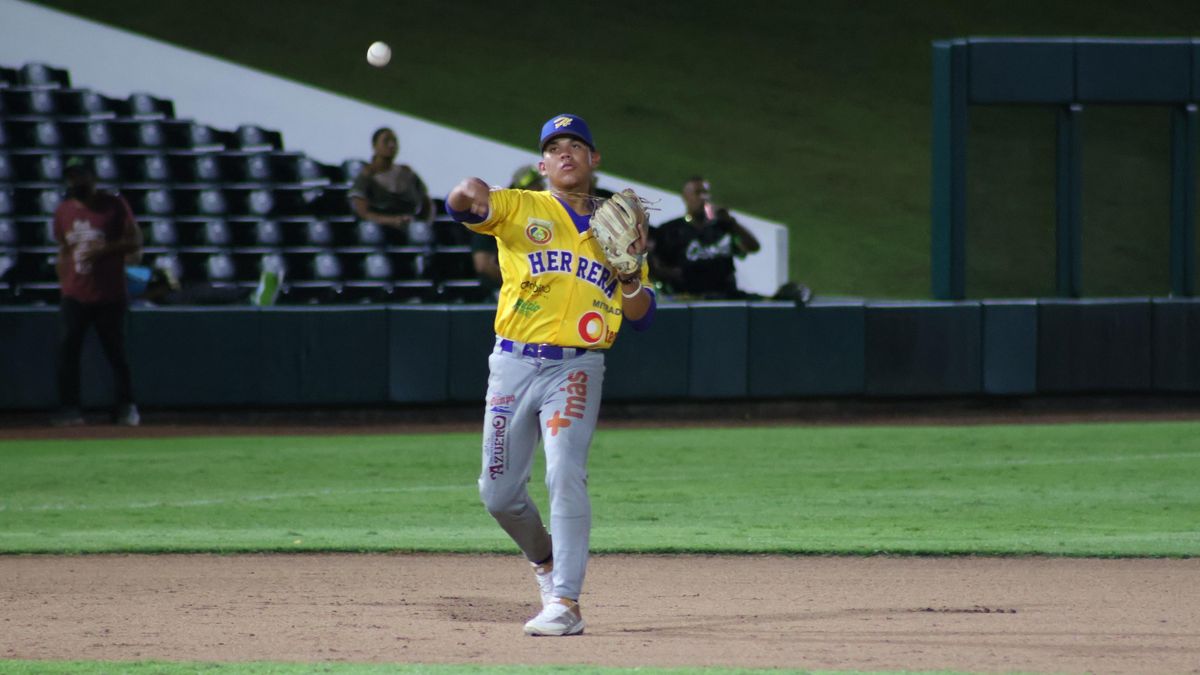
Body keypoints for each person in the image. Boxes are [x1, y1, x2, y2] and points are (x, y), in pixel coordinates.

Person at [444, 113, 654, 637]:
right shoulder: (521, 207)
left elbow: (643, 315)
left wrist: (629, 274)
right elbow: (464, 205)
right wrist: (465, 193)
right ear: (542, 164)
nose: (565, 152)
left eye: (576, 145)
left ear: (593, 159)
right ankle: (545, 563)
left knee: (565, 470)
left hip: (578, 366)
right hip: (513, 364)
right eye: (554, 146)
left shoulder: (618, 225)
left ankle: (566, 601)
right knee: (498, 494)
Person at [52, 156, 142, 426]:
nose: (76, 181)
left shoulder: (113, 205)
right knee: (68, 351)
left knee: (115, 351)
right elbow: (64, 249)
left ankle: (125, 406)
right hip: (75, 293)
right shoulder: (64, 211)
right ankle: (70, 409)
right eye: (72, 176)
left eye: (81, 175)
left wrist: (104, 250)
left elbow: (135, 240)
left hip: (109, 293)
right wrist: (64, 283)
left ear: (92, 177)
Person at [470, 165, 546, 297]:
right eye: (533, 186)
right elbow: (483, 264)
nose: (539, 189)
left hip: (541, 291)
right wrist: (517, 284)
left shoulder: (545, 215)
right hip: (502, 292)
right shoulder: (497, 214)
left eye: (539, 185)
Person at [348, 127, 435, 241]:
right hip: (381, 233)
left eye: (394, 141)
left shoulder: (407, 173)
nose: (391, 145)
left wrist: (423, 224)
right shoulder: (367, 176)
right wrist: (392, 221)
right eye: (386, 141)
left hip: (411, 232)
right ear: (374, 146)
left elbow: (427, 202)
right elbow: (362, 213)